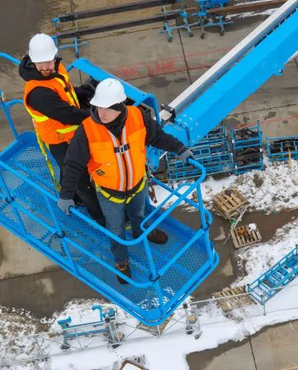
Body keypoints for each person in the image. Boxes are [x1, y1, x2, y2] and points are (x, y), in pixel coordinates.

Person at [57, 78, 193, 284]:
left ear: (120, 107)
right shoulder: (87, 130)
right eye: (97, 107)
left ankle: (142, 232)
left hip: (138, 185)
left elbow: (158, 137)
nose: (100, 114)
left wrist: (180, 149)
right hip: (109, 193)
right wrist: (66, 195)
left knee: (138, 215)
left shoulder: (138, 117)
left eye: (106, 109)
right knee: (116, 228)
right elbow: (73, 164)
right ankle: (121, 261)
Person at [20, 33, 104, 225]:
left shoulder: (56, 69)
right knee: (81, 180)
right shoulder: (37, 92)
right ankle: (100, 218)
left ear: (54, 57)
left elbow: (64, 90)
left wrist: (80, 92)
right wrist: (99, 116)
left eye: (48, 62)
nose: (45, 67)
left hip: (71, 135)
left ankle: (73, 196)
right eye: (40, 64)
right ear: (32, 61)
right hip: (59, 141)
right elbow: (66, 114)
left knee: (69, 172)